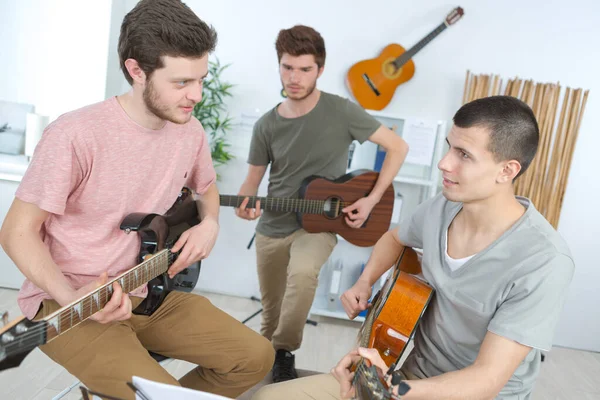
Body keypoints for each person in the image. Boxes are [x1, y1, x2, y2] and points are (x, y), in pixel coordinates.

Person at [0, 1, 274, 399]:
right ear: (136, 71)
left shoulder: (190, 132)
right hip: (69, 301)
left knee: (256, 357)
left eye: (201, 79)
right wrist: (71, 298)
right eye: (181, 83)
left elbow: (207, 188)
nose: (196, 95)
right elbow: (16, 232)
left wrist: (210, 223)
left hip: (150, 291)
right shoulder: (75, 135)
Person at [251, 95, 575, 399]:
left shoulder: (544, 261)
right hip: (404, 375)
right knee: (268, 396)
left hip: (461, 393)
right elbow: (395, 239)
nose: (444, 164)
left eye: (464, 155)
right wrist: (364, 282)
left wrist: (396, 389)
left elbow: (488, 379)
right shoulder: (441, 206)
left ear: (507, 170)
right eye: (449, 147)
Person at [234, 24, 409, 383]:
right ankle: (261, 368)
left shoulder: (341, 111)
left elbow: (397, 147)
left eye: (304, 69)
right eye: (287, 67)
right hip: (272, 225)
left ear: (320, 69)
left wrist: (371, 198)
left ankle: (284, 353)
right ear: (278, 65)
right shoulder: (266, 125)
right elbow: (252, 182)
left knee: (302, 274)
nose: (294, 77)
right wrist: (245, 204)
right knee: (271, 312)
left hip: (320, 225)